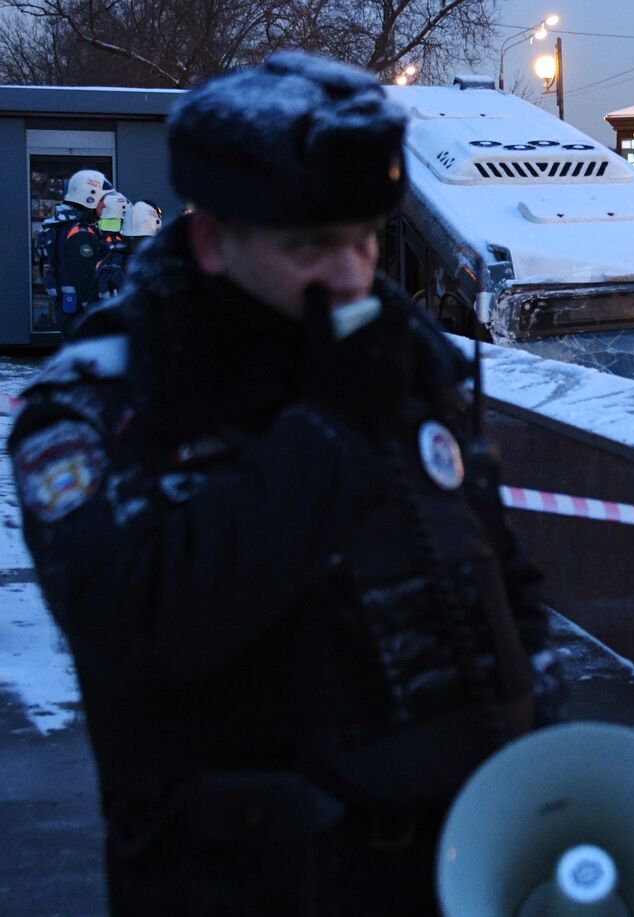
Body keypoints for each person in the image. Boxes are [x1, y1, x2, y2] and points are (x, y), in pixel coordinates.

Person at [9, 51, 563, 915]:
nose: (352, 277)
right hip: (246, 882)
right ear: (212, 239)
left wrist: (543, 733)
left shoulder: (398, 355)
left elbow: (496, 571)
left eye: (366, 239)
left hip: (455, 866)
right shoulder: (98, 402)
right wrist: (325, 430)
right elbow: (139, 626)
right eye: (312, 246)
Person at [37, 169, 109, 337]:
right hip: (80, 308)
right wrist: (93, 310)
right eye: (102, 199)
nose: (104, 205)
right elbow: (85, 275)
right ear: (89, 196)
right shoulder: (80, 231)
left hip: (67, 303)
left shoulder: (62, 225)